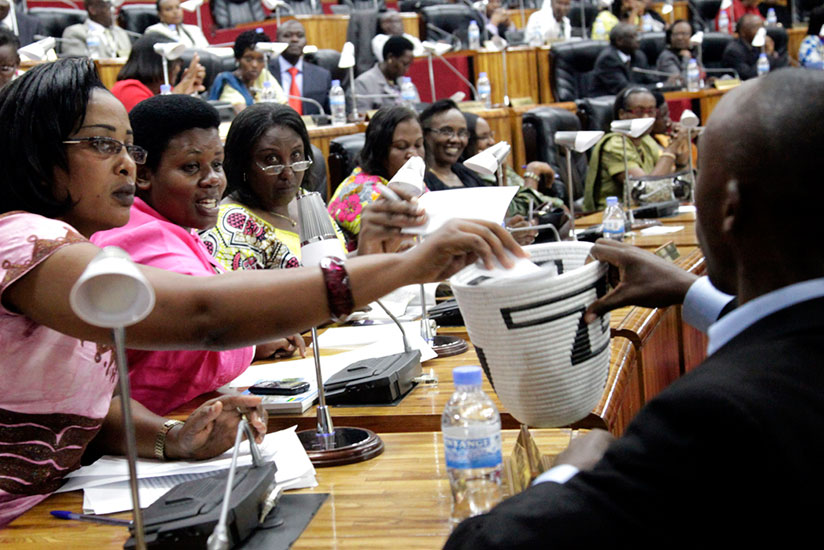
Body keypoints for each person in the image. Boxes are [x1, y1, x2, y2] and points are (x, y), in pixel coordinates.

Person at [0, 57, 525, 527]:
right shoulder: (20, 240)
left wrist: (171, 439)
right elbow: (203, 313)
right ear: (38, 153)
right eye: (101, 144)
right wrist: (402, 266)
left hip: (44, 510)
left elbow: (96, 404)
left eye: (126, 146)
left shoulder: (79, 249)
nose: (125, 164)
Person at [444, 68, 824, 550]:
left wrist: (567, 473)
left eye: (701, 169)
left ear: (730, 207)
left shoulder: (711, 416)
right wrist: (692, 291)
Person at [91, 95, 281, 414]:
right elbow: (211, 319)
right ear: (143, 174)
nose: (213, 180)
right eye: (191, 167)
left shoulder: (173, 225)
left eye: (217, 165)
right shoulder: (138, 236)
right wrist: (251, 335)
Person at [327, 104, 427, 250]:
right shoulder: (360, 190)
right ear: (379, 149)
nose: (413, 154)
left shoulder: (410, 180)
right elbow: (397, 247)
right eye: (401, 146)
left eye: (418, 145)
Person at [583, 86, 688, 211]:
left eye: (651, 112)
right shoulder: (615, 145)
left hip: (646, 215)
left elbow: (669, 186)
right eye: (639, 112)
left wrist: (681, 160)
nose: (646, 118)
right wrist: (671, 150)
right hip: (611, 218)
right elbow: (647, 193)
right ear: (622, 114)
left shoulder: (647, 141)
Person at [111, 34, 205, 112]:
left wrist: (187, 92)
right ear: (157, 64)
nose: (178, 68)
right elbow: (156, 122)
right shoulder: (128, 90)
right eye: (175, 63)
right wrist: (184, 85)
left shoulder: (162, 89)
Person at [209, 29, 287, 114]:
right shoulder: (228, 83)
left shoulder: (264, 75)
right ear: (238, 59)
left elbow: (285, 106)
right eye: (249, 59)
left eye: (260, 59)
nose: (254, 65)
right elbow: (246, 117)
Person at [420, 99, 487, 192]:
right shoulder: (420, 180)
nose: (456, 139)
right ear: (424, 134)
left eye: (462, 132)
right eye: (446, 131)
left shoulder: (467, 173)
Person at [273, 20, 331, 116]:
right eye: (287, 36)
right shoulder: (266, 73)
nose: (294, 40)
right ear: (277, 42)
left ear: (306, 42)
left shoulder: (322, 76)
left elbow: (331, 113)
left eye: (300, 36)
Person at [354, 35, 419, 113]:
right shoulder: (363, 83)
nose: (407, 70)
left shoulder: (406, 84)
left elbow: (416, 112)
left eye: (409, 65)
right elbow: (362, 118)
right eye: (404, 64)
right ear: (390, 58)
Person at [589, 23, 655, 97]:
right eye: (633, 37)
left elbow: (649, 79)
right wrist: (654, 87)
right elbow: (623, 88)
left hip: (633, 98)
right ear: (619, 41)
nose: (638, 40)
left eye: (637, 36)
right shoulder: (608, 59)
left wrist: (663, 84)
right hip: (606, 102)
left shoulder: (639, 56)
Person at [721, 13, 788, 80]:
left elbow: (780, 68)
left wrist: (773, 53)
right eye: (756, 28)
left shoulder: (759, 44)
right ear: (743, 32)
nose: (761, 31)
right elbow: (749, 76)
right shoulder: (733, 51)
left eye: (762, 27)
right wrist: (767, 55)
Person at [61, 0, 132, 58]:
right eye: (108, 6)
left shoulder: (121, 33)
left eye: (114, 7)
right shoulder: (75, 33)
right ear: (93, 9)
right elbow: (77, 68)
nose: (113, 11)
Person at [144, 0, 209, 49]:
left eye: (178, 7)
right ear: (160, 15)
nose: (175, 12)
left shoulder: (194, 29)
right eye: (169, 9)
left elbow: (207, 50)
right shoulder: (154, 31)